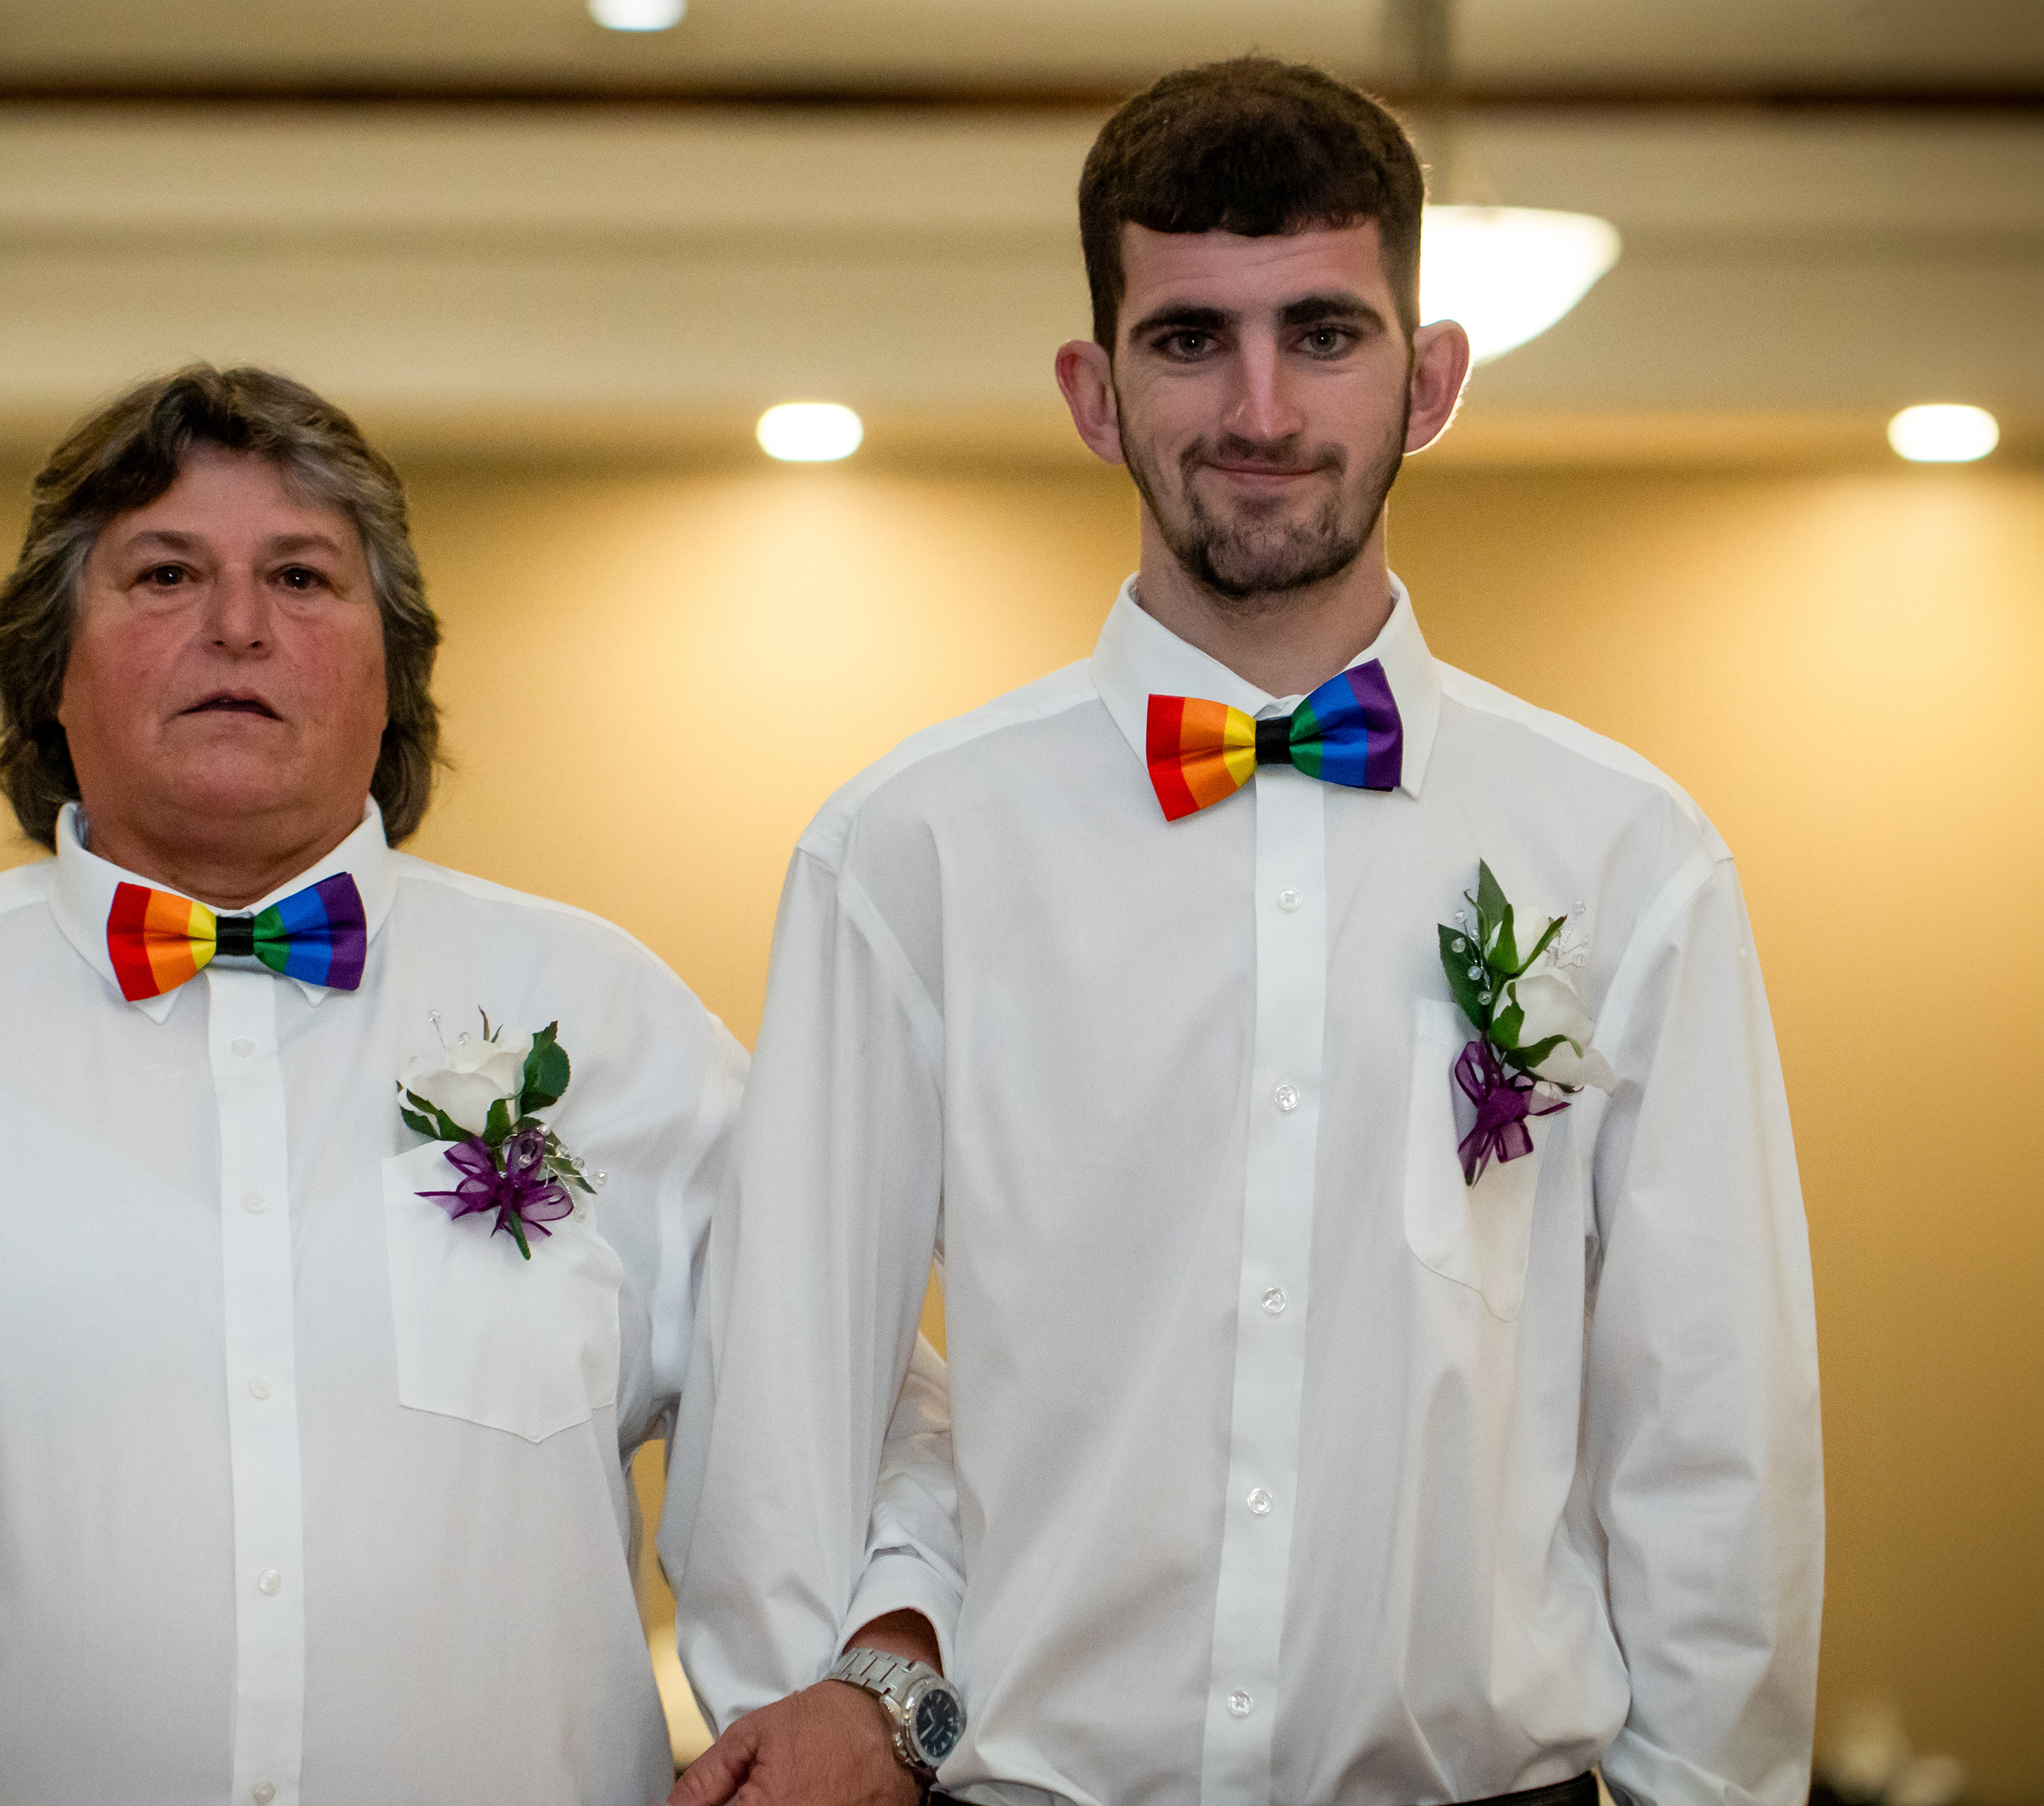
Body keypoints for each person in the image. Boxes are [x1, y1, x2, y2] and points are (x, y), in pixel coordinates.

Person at [0, 365, 956, 1805]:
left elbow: (881, 1409)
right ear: (51, 671)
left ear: (392, 674)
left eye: (302, 576)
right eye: (164, 573)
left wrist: (884, 1682)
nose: (239, 626)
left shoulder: (611, 1022)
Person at [664, 57, 1821, 1806]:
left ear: (1431, 380)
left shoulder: (1628, 852)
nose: (1261, 408)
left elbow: (1711, 1424)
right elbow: (789, 1390)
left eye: (1325, 333)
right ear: (1094, 390)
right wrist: (799, 1720)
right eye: (1192, 337)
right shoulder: (906, 850)